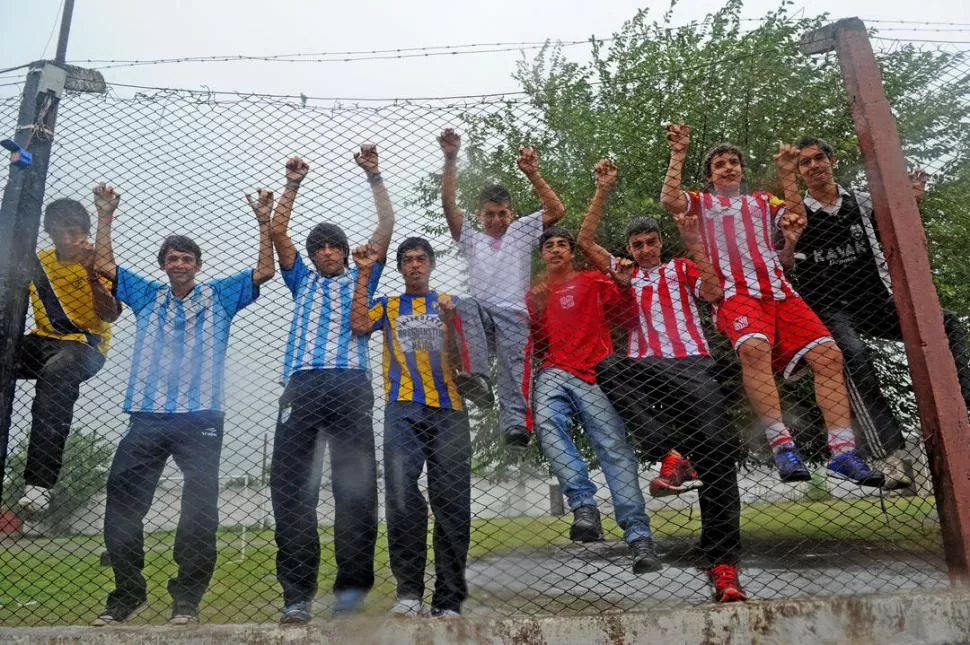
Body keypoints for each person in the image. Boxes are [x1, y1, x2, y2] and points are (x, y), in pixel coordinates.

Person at [660, 123, 885, 488]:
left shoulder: (763, 201)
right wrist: (678, 153)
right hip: (737, 295)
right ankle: (783, 446)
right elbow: (670, 200)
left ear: (742, 170)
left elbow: (797, 217)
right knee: (754, 348)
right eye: (720, 164)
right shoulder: (702, 204)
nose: (729, 167)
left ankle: (843, 452)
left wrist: (787, 175)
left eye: (734, 162)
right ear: (710, 176)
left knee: (830, 356)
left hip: (781, 293)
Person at [91, 183, 274, 625]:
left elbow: (264, 271)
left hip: (201, 418)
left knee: (199, 510)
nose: (179, 264)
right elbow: (103, 265)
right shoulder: (147, 294)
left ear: (197, 265)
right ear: (163, 265)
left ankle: (186, 599)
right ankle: (127, 593)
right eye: (171, 258)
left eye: (186, 258)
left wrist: (264, 220)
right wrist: (105, 213)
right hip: (147, 416)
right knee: (122, 501)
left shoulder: (219, 295)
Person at [579, 159, 746, 602]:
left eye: (652, 242)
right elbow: (584, 240)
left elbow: (713, 292)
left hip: (693, 366)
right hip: (647, 371)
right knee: (609, 367)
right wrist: (602, 189)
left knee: (718, 462)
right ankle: (667, 452)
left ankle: (724, 564)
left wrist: (693, 242)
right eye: (638, 244)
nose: (646, 249)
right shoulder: (625, 273)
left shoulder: (683, 268)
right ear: (630, 248)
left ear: (660, 243)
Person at [788, 136, 970, 489]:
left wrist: (912, 201)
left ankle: (964, 396)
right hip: (830, 308)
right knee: (854, 356)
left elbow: (897, 219)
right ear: (799, 172)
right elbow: (785, 256)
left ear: (832, 160)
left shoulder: (860, 201)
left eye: (818, 158)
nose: (813, 166)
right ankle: (889, 458)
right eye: (805, 162)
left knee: (945, 323)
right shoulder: (797, 213)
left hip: (874, 301)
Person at [268, 146, 394, 624]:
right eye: (319, 246)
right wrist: (292, 183)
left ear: (345, 252)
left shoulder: (363, 275)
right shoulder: (301, 280)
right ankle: (297, 594)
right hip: (301, 386)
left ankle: (350, 593)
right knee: (291, 489)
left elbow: (385, 228)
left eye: (334, 246)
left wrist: (374, 176)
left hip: (349, 385)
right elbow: (279, 232)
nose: (326, 252)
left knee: (355, 490)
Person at [527, 225, 661, 574]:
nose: (556, 250)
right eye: (549, 246)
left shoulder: (593, 280)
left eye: (562, 245)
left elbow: (626, 319)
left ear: (571, 252)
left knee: (614, 449)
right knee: (546, 421)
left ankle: (639, 537)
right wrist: (537, 310)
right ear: (543, 255)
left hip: (595, 372)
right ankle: (583, 505)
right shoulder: (536, 292)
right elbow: (540, 347)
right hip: (555, 368)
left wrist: (622, 285)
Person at [351, 237, 472, 618]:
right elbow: (357, 323)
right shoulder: (388, 306)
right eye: (408, 260)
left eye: (421, 259)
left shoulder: (448, 303)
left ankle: (449, 600)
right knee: (402, 491)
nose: (415, 265)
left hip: (450, 408)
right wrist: (365, 271)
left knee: (452, 503)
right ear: (401, 268)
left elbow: (462, 357)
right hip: (403, 406)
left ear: (431, 265)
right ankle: (408, 593)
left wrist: (452, 321)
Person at [439, 128, 566, 447]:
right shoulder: (471, 237)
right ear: (480, 216)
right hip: (482, 315)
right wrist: (451, 158)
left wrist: (533, 173)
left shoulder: (521, 231)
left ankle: (516, 425)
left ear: (512, 213)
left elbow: (556, 210)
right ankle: (478, 379)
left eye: (502, 214)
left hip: (513, 314)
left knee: (515, 365)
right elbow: (448, 204)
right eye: (489, 215)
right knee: (463, 303)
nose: (496, 220)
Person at [14, 196, 122, 513]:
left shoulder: (96, 262)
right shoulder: (38, 262)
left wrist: (90, 273)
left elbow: (111, 314)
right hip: (43, 341)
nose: (75, 240)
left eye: (79, 232)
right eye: (67, 232)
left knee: (56, 376)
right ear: (52, 233)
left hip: (85, 347)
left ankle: (39, 484)